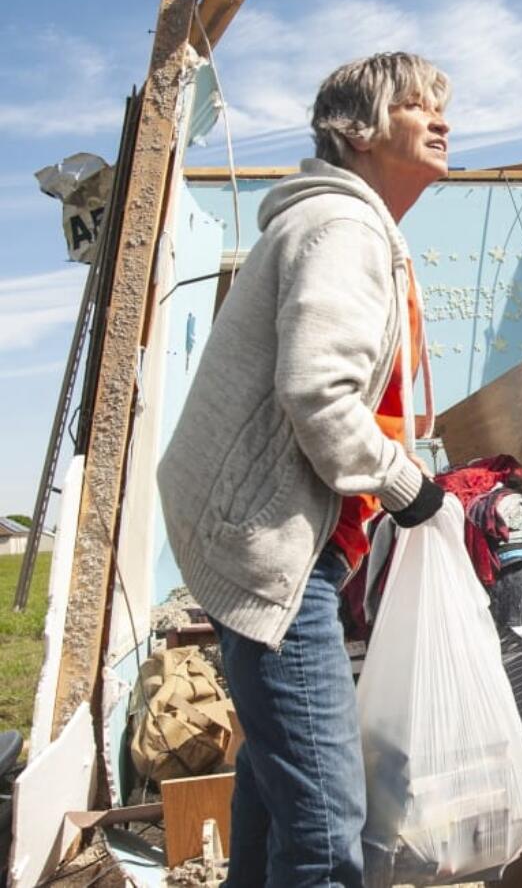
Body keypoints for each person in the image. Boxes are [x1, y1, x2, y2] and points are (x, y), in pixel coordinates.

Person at [158, 52, 452, 887]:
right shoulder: (344, 229)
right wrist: (411, 492)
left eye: (442, 107)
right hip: (268, 545)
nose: (440, 120)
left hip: (256, 530)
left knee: (277, 779)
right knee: (328, 827)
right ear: (357, 131)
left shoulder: (347, 226)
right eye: (416, 106)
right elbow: (318, 395)